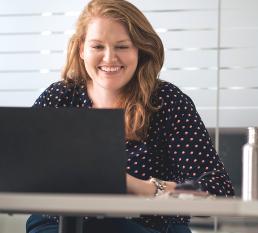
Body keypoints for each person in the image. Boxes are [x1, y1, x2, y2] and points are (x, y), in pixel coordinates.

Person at [25, 0, 235, 232]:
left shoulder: (166, 102)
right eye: (97, 47)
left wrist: (139, 187)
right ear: (82, 49)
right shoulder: (59, 98)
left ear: (140, 50)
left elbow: (218, 192)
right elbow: (21, 167)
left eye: (122, 46)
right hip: (55, 226)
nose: (109, 58)